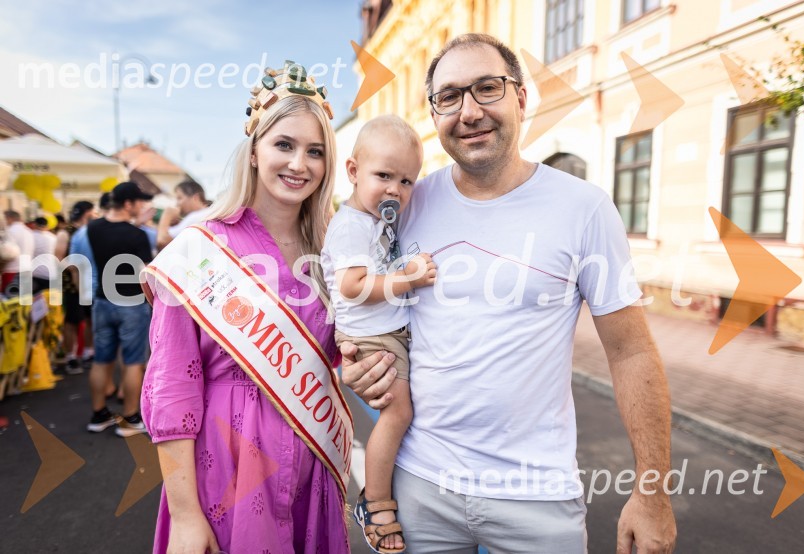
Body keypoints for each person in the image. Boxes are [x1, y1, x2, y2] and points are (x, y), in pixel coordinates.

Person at [341, 33, 677, 554]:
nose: (469, 111)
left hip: (537, 499)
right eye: (449, 96)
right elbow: (363, 292)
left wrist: (652, 493)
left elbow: (631, 352)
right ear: (434, 114)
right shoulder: (408, 198)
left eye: (487, 88)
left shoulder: (583, 208)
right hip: (420, 485)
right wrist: (362, 363)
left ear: (521, 98)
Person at [140, 63, 350, 553]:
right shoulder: (199, 250)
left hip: (308, 466)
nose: (300, 163)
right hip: (227, 469)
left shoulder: (333, 254)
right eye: (284, 144)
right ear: (254, 151)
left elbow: (342, 357)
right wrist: (187, 515)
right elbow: (171, 392)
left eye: (315, 152)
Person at [321, 114, 435, 553]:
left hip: (390, 331)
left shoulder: (374, 220)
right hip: (373, 337)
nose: (395, 190)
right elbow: (353, 286)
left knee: (405, 412)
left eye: (406, 181)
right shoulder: (351, 224)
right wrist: (407, 278)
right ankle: (375, 499)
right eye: (383, 175)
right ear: (353, 172)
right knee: (398, 414)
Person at [85, 181, 154, 436]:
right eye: (139, 202)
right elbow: (146, 273)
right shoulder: (138, 235)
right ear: (128, 204)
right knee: (133, 362)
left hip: (102, 301)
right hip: (131, 303)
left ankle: (98, 414)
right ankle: (130, 418)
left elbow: (113, 233)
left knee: (101, 360)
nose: (142, 206)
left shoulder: (93, 228)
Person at [58, 201, 96, 374]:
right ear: (86, 213)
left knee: (90, 320)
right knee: (72, 321)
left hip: (91, 283)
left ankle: (88, 352)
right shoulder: (66, 233)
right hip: (72, 286)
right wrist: (75, 272)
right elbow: (58, 258)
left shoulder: (92, 231)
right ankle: (70, 357)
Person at [156, 180, 211, 249]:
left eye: (179, 198)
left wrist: (167, 215)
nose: (177, 203)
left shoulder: (195, 216)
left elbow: (162, 241)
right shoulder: (207, 213)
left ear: (196, 198)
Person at [2, 210, 35, 295]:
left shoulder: (10, 231)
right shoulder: (29, 231)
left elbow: (6, 252)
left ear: (9, 218)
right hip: (26, 269)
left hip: (11, 270)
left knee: (9, 299)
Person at [30, 216, 58, 294]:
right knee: (48, 301)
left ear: (34, 224)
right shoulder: (53, 237)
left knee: (35, 300)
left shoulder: (31, 236)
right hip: (51, 273)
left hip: (35, 273)